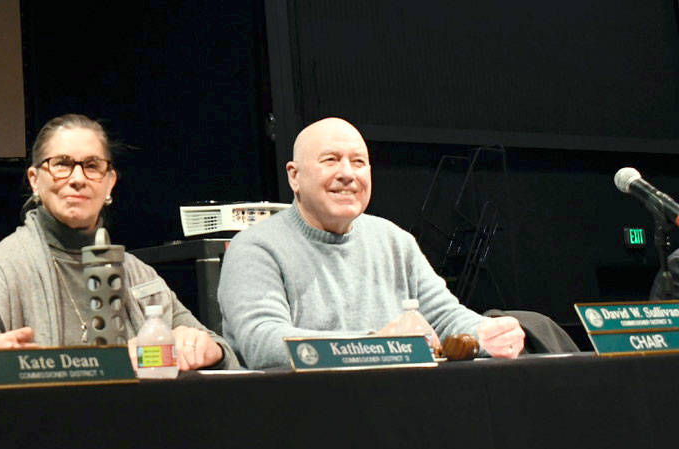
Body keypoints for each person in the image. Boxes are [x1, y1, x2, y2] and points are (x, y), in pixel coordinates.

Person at [218, 117, 525, 369]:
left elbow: (444, 317)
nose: (348, 174)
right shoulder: (255, 248)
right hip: (298, 415)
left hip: (396, 411)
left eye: (359, 162)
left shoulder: (394, 240)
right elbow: (263, 343)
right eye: (330, 161)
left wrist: (484, 332)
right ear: (294, 177)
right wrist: (379, 344)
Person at [0, 114, 237, 370]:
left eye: (92, 165)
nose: (78, 178)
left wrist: (205, 347)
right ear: (34, 180)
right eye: (61, 164)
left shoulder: (137, 273)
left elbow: (219, 350)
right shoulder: (1, 266)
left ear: (110, 182)